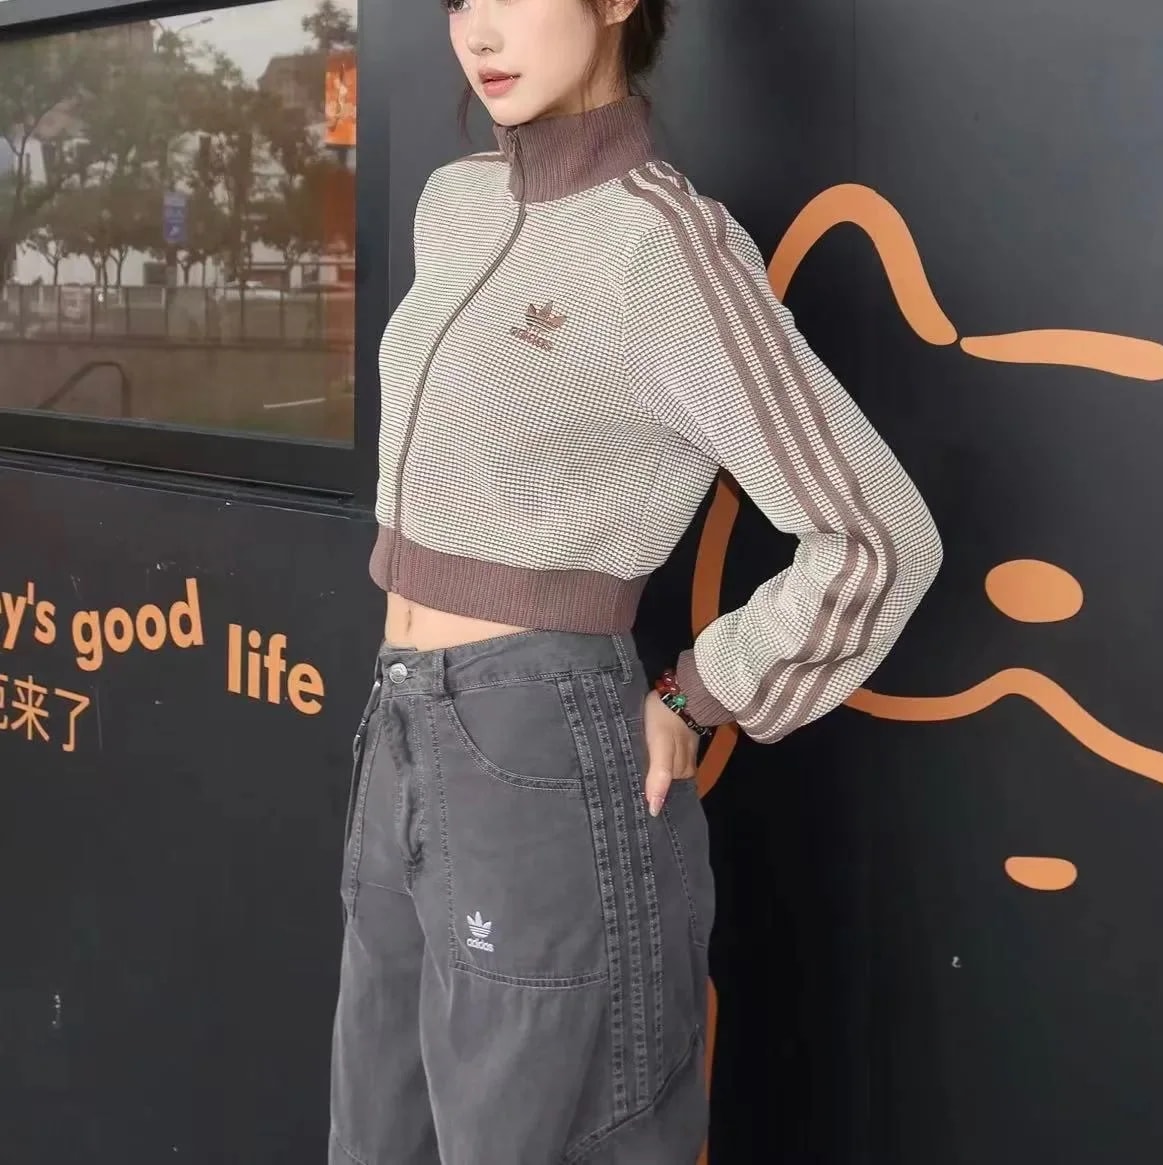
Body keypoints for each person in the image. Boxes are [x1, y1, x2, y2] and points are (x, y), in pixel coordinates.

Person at [329, 1, 943, 1162]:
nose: (477, 32)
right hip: (401, 725)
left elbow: (877, 537)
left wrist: (700, 689)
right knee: (378, 1137)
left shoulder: (663, 248)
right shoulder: (454, 203)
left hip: (539, 745)